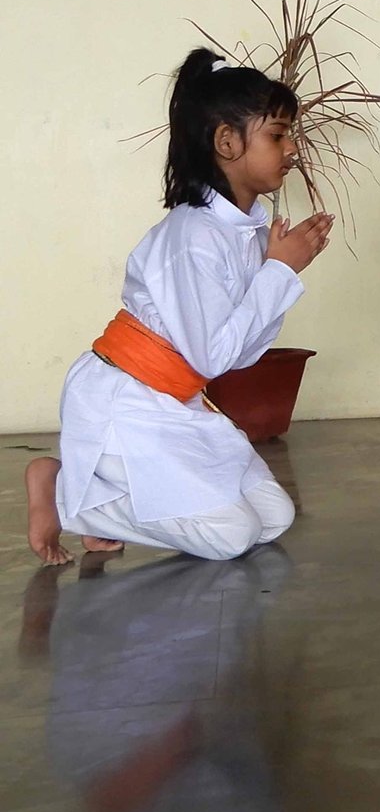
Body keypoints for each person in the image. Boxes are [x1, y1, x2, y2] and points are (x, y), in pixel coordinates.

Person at [24, 48, 333, 565]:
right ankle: (61, 491)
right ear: (227, 142)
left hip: (176, 401)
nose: (292, 148)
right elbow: (212, 355)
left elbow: (240, 353)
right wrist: (279, 272)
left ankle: (101, 500)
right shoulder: (193, 236)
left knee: (274, 517)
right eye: (278, 135)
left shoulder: (248, 233)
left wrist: (278, 270)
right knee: (232, 536)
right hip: (127, 402)